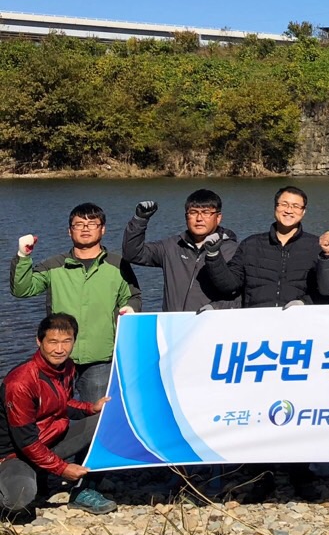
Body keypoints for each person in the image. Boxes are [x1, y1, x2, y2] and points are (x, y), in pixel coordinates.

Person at [203, 186, 329, 501]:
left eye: (296, 206)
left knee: (298, 407)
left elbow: (327, 291)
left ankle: (301, 474)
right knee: (258, 407)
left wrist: (326, 258)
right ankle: (261, 476)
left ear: (304, 212)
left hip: (298, 341)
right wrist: (212, 257)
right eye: (283, 204)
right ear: (275, 207)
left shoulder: (314, 245)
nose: (288, 210)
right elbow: (230, 285)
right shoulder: (250, 246)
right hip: (258, 341)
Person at [10, 203, 141, 403]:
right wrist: (23, 256)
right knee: (55, 415)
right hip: (57, 356)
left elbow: (132, 296)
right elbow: (22, 289)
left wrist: (131, 309)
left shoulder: (118, 265)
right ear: (69, 231)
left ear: (103, 229)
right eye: (79, 224)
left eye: (92, 223)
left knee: (94, 418)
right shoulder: (53, 266)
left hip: (101, 358)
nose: (85, 228)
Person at [0, 314, 115, 518]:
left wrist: (91, 408)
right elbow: (25, 441)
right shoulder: (20, 383)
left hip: (48, 439)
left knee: (107, 419)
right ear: (39, 341)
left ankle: (84, 489)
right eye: (52, 342)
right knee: (18, 500)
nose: (60, 349)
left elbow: (62, 402)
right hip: (15, 453)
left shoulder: (66, 366)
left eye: (66, 341)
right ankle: (21, 476)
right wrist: (62, 469)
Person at [121, 189, 240, 312]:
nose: (199, 218)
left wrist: (216, 308)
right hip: (173, 326)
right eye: (193, 212)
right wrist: (139, 220)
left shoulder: (233, 250)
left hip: (210, 325)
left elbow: (242, 296)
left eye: (206, 212)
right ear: (186, 217)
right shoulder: (171, 246)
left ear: (218, 217)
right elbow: (132, 254)